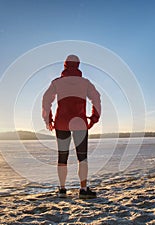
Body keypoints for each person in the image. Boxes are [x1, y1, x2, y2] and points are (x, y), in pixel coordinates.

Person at [42, 54, 101, 199]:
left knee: (62, 157)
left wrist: (48, 118)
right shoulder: (85, 83)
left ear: (65, 65)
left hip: (61, 123)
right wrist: (93, 118)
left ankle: (62, 189)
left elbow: (46, 100)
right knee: (83, 158)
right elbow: (97, 99)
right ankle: (83, 189)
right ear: (78, 65)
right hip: (80, 124)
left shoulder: (57, 82)